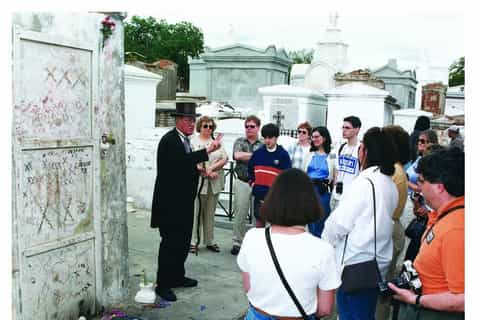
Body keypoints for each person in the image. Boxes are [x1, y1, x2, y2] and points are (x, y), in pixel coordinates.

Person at [237, 168, 341, 319]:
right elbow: (325, 308)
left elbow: (248, 288)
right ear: (310, 203)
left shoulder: (252, 238)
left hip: (257, 315)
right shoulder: (323, 249)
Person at [322, 127, 398, 320]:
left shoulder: (364, 183)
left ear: (365, 152)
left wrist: (325, 242)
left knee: (351, 314)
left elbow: (340, 222)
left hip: (355, 263)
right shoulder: (389, 184)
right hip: (376, 263)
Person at [150, 102, 222, 302]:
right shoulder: (169, 140)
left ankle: (176, 276)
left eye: (194, 120)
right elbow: (179, 163)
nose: (192, 124)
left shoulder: (185, 140)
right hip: (169, 204)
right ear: (179, 120)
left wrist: (197, 169)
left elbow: (184, 165)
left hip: (183, 203)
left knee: (182, 242)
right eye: (189, 120)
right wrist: (207, 151)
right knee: (170, 244)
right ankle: (163, 284)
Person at [389, 148, 464, 320]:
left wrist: (415, 299)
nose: (419, 188)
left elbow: (462, 298)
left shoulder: (456, 229)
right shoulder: (444, 215)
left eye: (422, 182)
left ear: (439, 187)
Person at [376, 125, 411, 320]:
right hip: (391, 226)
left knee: (382, 287)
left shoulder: (394, 171)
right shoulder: (397, 168)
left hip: (388, 228)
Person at [190, 116, 228, 254]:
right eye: (205, 126)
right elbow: (194, 161)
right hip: (199, 183)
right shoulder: (193, 141)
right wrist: (206, 171)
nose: (208, 129)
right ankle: (193, 241)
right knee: (196, 213)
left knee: (210, 214)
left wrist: (211, 169)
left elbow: (224, 158)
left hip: (214, 182)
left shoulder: (216, 142)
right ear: (200, 126)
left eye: (211, 127)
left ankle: (209, 240)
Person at [230, 115, 263, 256]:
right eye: (247, 126)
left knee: (259, 215)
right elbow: (236, 155)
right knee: (240, 213)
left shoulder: (262, 144)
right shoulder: (239, 141)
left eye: (252, 126)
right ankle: (238, 242)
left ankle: (257, 243)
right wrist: (255, 156)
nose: (249, 129)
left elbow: (263, 159)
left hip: (258, 182)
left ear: (258, 128)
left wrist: (247, 156)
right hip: (242, 181)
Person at [404, 130, 438, 262]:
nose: (420, 143)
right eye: (419, 141)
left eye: (424, 141)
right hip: (413, 201)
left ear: (432, 143)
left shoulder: (429, 163)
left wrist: (406, 182)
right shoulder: (418, 159)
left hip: (422, 206)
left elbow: (422, 186)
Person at [248, 123, 291, 227]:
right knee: (259, 225)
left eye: (270, 138)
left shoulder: (283, 155)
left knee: (275, 226)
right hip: (259, 196)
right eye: (265, 138)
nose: (267, 141)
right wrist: (253, 183)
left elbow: (286, 177)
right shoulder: (258, 153)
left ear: (276, 138)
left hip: (275, 198)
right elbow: (250, 170)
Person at [302, 126, 334, 238]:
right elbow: (303, 172)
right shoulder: (309, 155)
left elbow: (334, 175)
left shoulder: (332, 155)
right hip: (310, 190)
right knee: (310, 219)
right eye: (312, 137)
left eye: (317, 137)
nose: (314, 139)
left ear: (324, 138)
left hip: (323, 191)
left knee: (321, 220)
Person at [331, 115, 362, 210]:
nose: (344, 130)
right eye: (343, 127)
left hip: (351, 198)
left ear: (357, 130)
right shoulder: (341, 147)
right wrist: (334, 188)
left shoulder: (361, 149)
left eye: (347, 128)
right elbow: (336, 170)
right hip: (337, 195)